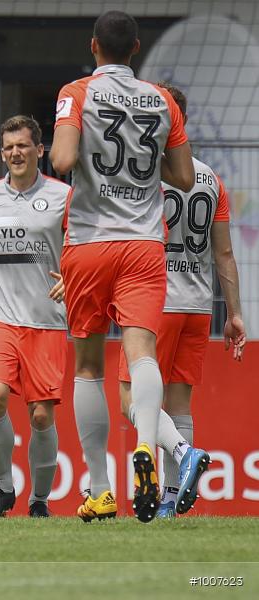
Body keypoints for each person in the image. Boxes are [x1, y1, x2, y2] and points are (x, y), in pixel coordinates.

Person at [50, 10, 195, 523]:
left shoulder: (76, 90)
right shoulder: (161, 100)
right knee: (142, 355)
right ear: (136, 48)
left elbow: (63, 162)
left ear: (94, 47)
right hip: (142, 244)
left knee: (88, 365)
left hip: (89, 242)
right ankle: (147, 454)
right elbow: (181, 176)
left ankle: (100, 487)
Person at [118, 83, 244, 518]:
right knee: (179, 403)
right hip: (199, 306)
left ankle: (183, 451)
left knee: (129, 398)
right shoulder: (210, 178)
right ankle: (171, 500)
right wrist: (236, 314)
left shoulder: (145, 171)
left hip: (154, 301)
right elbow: (224, 252)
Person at [0, 116, 68, 518]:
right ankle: (3, 489)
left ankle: (39, 501)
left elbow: (79, 249)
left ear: (39, 150)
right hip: (0, 319)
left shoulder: (63, 196)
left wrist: (72, 278)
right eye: (8, 147)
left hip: (47, 322)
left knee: (41, 415)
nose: (15, 153)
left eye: (23, 146)